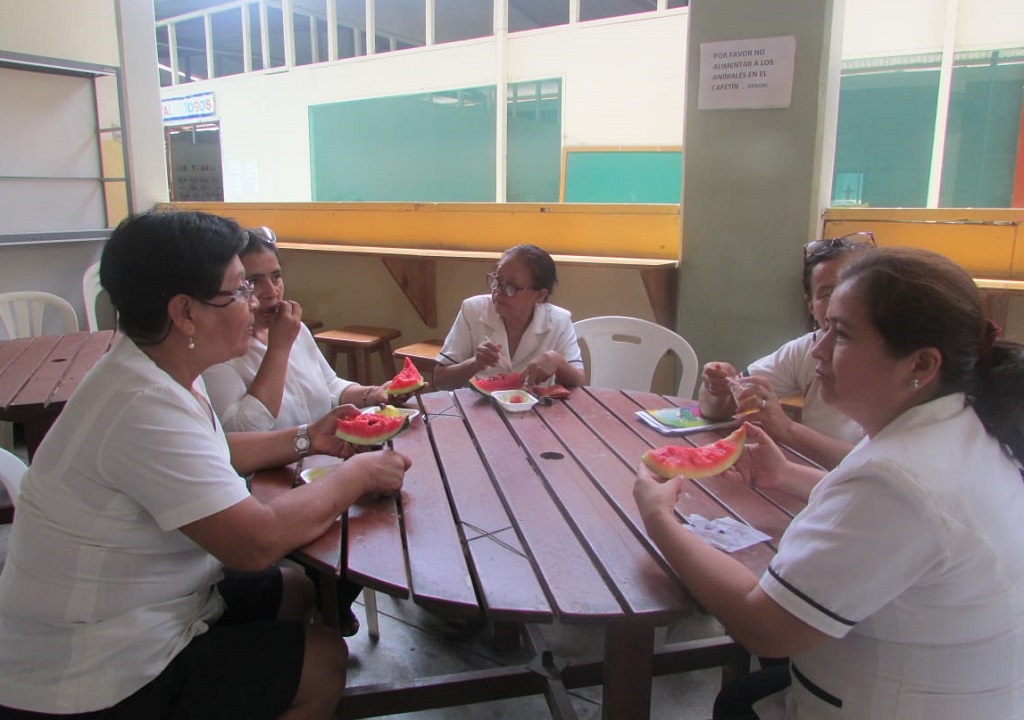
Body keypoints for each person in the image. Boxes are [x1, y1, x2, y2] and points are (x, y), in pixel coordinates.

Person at [0, 211, 410, 719]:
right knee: (325, 660)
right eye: (239, 290)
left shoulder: (156, 368)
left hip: (163, 602)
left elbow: (211, 453)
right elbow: (256, 542)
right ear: (185, 313)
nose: (257, 303)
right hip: (93, 665)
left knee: (298, 588)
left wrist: (308, 437)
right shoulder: (141, 405)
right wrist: (359, 474)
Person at [635, 247, 1024, 719]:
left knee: (743, 697)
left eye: (840, 334)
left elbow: (764, 626)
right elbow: (887, 524)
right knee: (742, 694)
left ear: (921, 365)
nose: (817, 349)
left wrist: (659, 519)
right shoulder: (958, 424)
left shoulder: (898, 477)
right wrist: (787, 474)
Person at [698, 232, 876, 469]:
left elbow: (878, 467)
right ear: (811, 306)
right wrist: (718, 387)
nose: (840, 301)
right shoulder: (809, 347)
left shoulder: (898, 364)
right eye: (827, 293)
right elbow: (718, 409)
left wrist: (788, 429)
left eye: (852, 289)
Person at [203, 226, 389, 433]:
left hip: (324, 458)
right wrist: (279, 348)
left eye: (276, 277)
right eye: (253, 282)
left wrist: (371, 393)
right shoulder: (218, 355)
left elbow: (330, 386)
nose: (272, 292)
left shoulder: (296, 330)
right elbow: (242, 431)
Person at [433, 244, 586, 390]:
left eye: (511, 287)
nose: (498, 292)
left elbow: (580, 382)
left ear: (539, 296)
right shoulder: (472, 310)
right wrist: (475, 363)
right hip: (483, 411)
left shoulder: (560, 320)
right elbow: (440, 379)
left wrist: (558, 361)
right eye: (497, 281)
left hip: (538, 411)